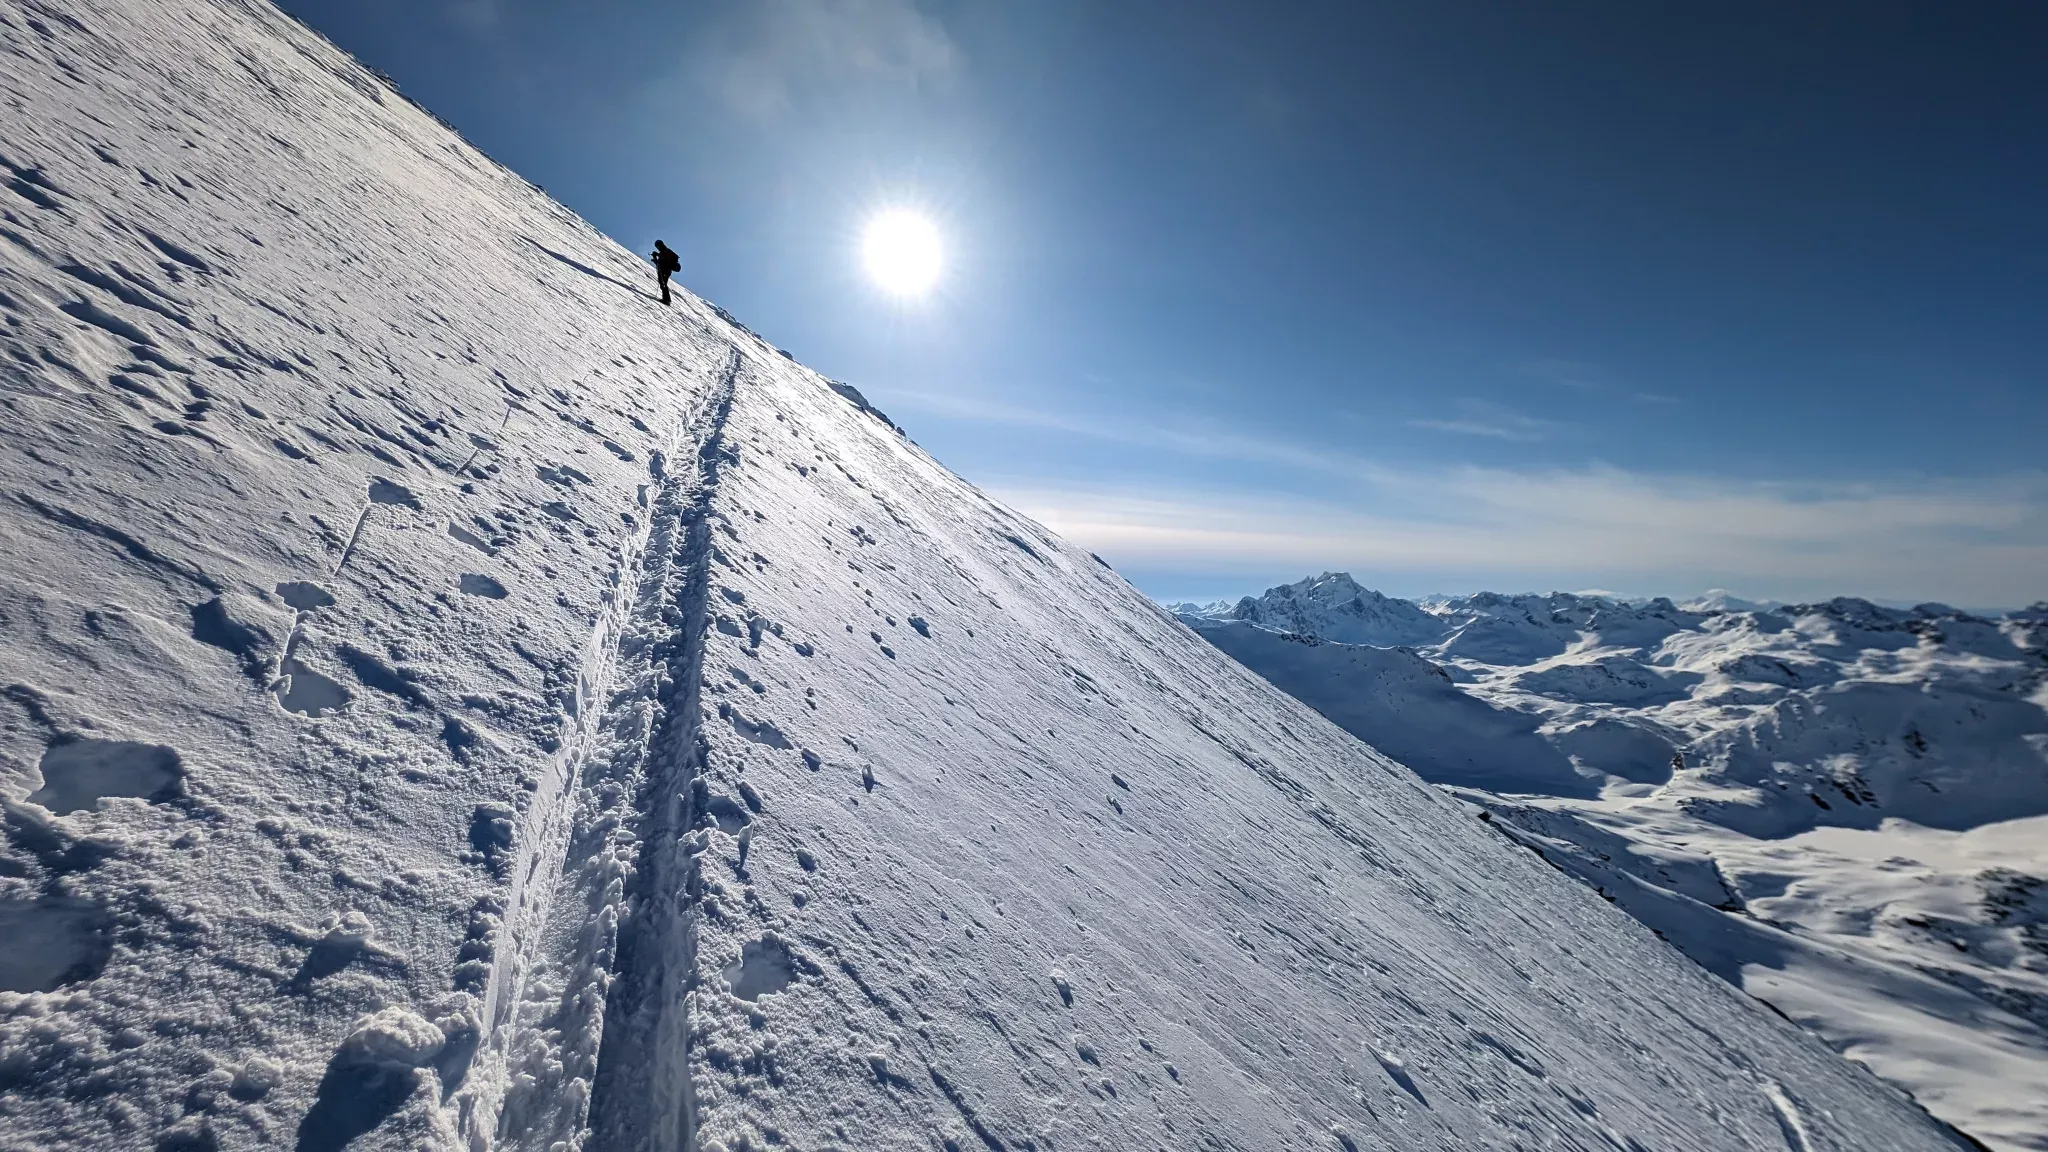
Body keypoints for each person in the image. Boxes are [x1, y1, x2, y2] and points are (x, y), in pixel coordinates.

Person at [650, 240, 681, 305]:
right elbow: (660, 264)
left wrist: (656, 258)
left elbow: (663, 262)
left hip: (665, 271)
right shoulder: (663, 252)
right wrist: (655, 259)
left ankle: (666, 300)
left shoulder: (666, 251)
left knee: (663, 283)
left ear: (661, 244)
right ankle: (666, 299)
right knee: (662, 283)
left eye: (658, 246)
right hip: (665, 270)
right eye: (657, 246)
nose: (657, 247)